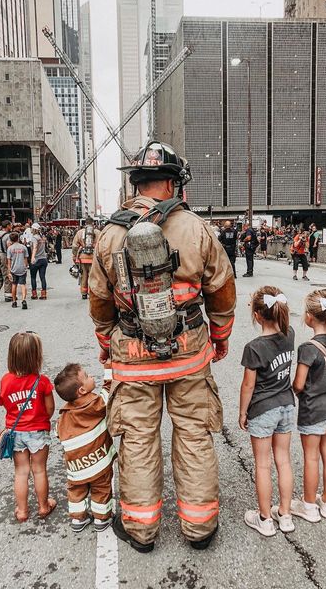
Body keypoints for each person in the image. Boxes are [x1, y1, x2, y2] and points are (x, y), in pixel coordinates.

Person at [89, 141, 236, 553]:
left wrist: (107, 345)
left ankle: (140, 530)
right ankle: (200, 528)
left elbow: (99, 302)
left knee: (136, 438)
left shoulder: (110, 234)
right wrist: (219, 339)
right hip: (189, 354)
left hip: (133, 360)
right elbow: (222, 291)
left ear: (138, 183)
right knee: (193, 434)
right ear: (173, 184)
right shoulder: (198, 229)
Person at [239, 286, 295, 537]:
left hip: (263, 410)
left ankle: (264, 519)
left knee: (263, 465)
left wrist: (243, 412)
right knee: (283, 460)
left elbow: (248, 385)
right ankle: (284, 515)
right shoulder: (290, 334)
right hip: (286, 405)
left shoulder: (254, 347)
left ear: (257, 315)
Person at [292, 289, 326, 522]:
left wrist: (292, 389)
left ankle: (309, 505)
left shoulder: (308, 348)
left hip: (313, 409)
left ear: (310, 318)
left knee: (311, 457)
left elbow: (299, 384)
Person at [0, 332, 56, 522]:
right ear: (36, 357)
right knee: (39, 469)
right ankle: (43, 506)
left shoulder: (5, 381)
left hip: (16, 433)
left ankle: (22, 511)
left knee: (21, 471)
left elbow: (5, 404)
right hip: (38, 431)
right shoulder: (42, 381)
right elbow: (49, 410)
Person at [54, 363, 116, 533]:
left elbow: (58, 433)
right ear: (81, 390)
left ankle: (78, 519)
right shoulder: (94, 404)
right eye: (87, 376)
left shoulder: (64, 415)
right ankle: (102, 518)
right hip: (97, 462)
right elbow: (108, 391)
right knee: (101, 488)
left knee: (76, 491)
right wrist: (109, 368)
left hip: (76, 467)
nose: (91, 377)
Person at [72, 217, 100, 300]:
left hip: (82, 258)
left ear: (85, 224)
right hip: (94, 258)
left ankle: (84, 293)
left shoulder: (80, 233)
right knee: (93, 276)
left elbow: (74, 246)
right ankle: (92, 292)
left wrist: (74, 256)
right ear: (93, 223)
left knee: (83, 276)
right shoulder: (98, 232)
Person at [6, 232, 29, 309]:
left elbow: (9, 261)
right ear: (18, 238)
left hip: (13, 269)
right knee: (23, 285)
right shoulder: (23, 247)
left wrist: (9, 271)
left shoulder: (10, 248)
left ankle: (14, 301)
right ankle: (23, 300)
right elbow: (26, 258)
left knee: (14, 285)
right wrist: (26, 267)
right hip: (22, 268)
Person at [29, 223, 48, 300]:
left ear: (33, 229)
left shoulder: (34, 238)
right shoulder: (42, 237)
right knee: (42, 277)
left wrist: (32, 257)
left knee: (33, 277)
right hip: (43, 259)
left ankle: (34, 294)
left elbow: (35, 248)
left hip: (36, 259)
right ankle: (43, 294)